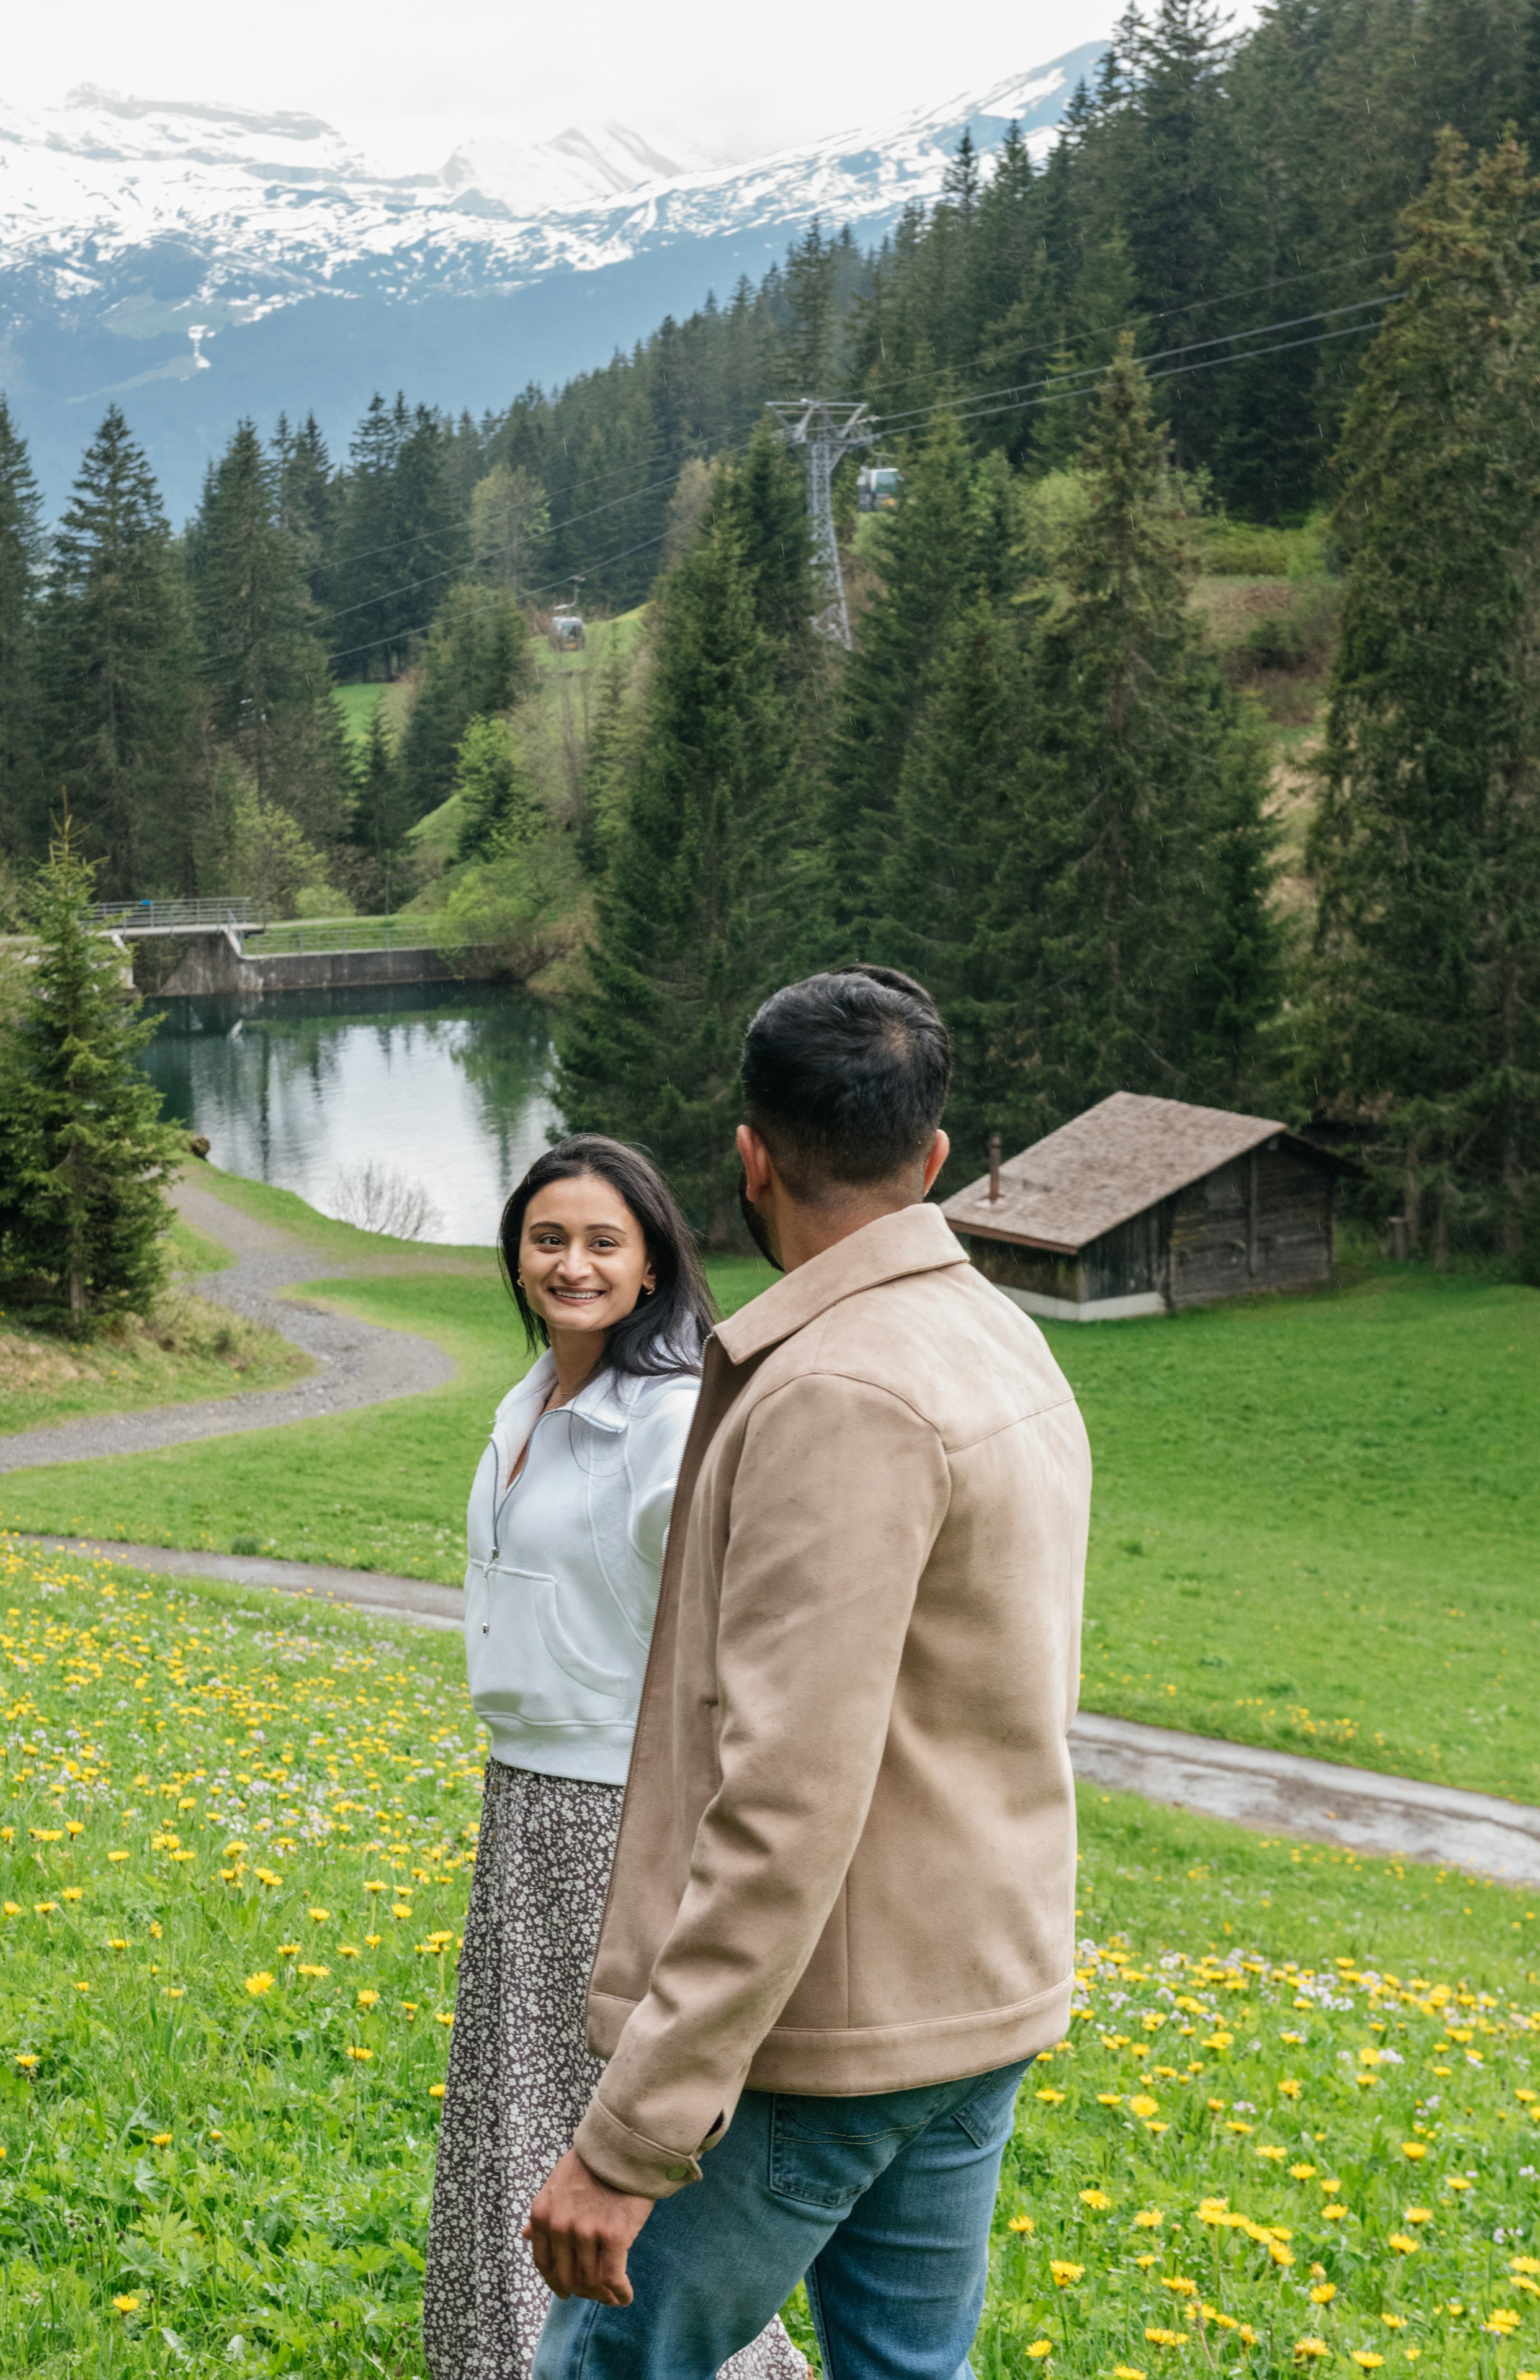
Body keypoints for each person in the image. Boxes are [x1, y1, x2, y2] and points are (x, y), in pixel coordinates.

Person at [525, 968, 1093, 2380]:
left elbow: (783, 1802)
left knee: (601, 2371)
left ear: (750, 1155)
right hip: (972, 1995)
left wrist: (632, 2135)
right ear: (935, 1157)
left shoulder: (839, 1389)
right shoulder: (995, 1336)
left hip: (824, 2036)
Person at [423, 1133, 806, 2380]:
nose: (571, 1263)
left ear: (650, 1269)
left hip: (613, 1812)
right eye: (548, 1239)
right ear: (516, 1256)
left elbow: (732, 1580)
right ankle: (506, 2353)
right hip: (528, 1796)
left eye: (602, 1242)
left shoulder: (662, 1415)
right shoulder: (531, 1394)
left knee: (577, 2123)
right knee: (510, 2108)